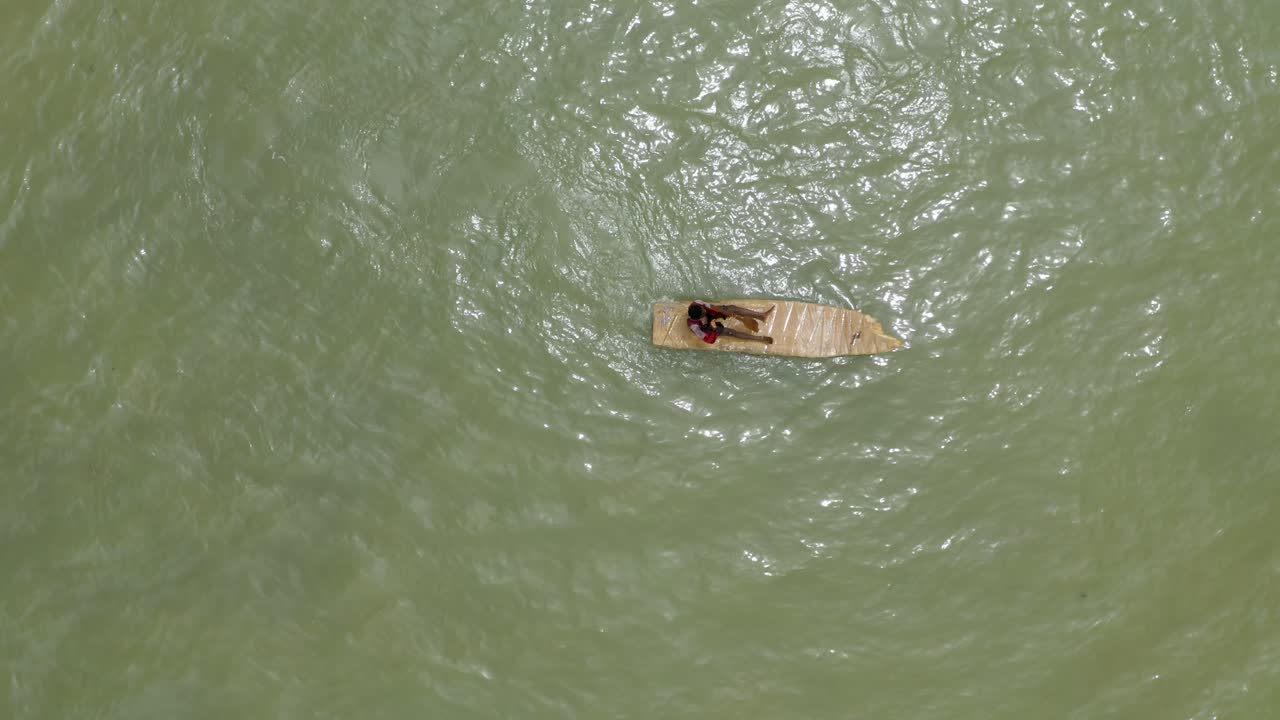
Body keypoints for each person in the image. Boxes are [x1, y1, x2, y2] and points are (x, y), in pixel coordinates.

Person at [687, 301, 774, 344]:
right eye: (703, 312)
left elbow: (713, 307)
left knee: (732, 308)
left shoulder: (697, 303)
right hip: (707, 327)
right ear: (700, 317)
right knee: (730, 332)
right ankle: (760, 338)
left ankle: (762, 316)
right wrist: (713, 327)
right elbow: (708, 339)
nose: (705, 310)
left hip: (711, 314)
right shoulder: (695, 327)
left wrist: (726, 313)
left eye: (704, 309)